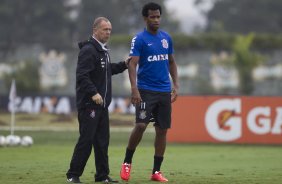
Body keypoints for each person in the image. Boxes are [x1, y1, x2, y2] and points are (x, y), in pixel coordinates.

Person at [66, 17, 130, 183]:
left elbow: (108, 70)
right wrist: (93, 93)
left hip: (102, 106)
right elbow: (82, 75)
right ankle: (73, 176)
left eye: (109, 30)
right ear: (95, 30)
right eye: (104, 29)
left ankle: (102, 176)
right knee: (86, 140)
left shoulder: (103, 50)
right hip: (89, 105)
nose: (108, 32)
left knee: (102, 142)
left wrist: (124, 64)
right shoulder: (89, 50)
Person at [120, 2, 179, 183]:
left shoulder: (166, 38)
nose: (156, 20)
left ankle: (156, 171)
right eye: (152, 17)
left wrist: (175, 85)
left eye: (158, 16)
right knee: (140, 126)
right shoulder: (139, 39)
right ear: (145, 18)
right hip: (145, 91)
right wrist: (134, 89)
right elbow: (132, 64)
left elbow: (171, 62)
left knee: (162, 131)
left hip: (163, 92)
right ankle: (127, 162)